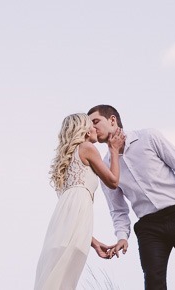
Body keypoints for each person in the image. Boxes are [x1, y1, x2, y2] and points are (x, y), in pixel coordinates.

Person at [88, 104, 175, 290]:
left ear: (112, 120)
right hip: (149, 227)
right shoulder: (105, 167)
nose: (92, 128)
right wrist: (122, 236)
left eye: (96, 121)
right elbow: (118, 209)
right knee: (153, 282)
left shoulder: (149, 137)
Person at [34, 113, 125, 290]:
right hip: (75, 227)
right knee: (64, 280)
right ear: (83, 129)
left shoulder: (66, 160)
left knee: (56, 277)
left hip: (61, 229)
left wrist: (94, 242)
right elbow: (113, 181)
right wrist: (113, 150)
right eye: (90, 124)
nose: (94, 128)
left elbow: (70, 212)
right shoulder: (86, 148)